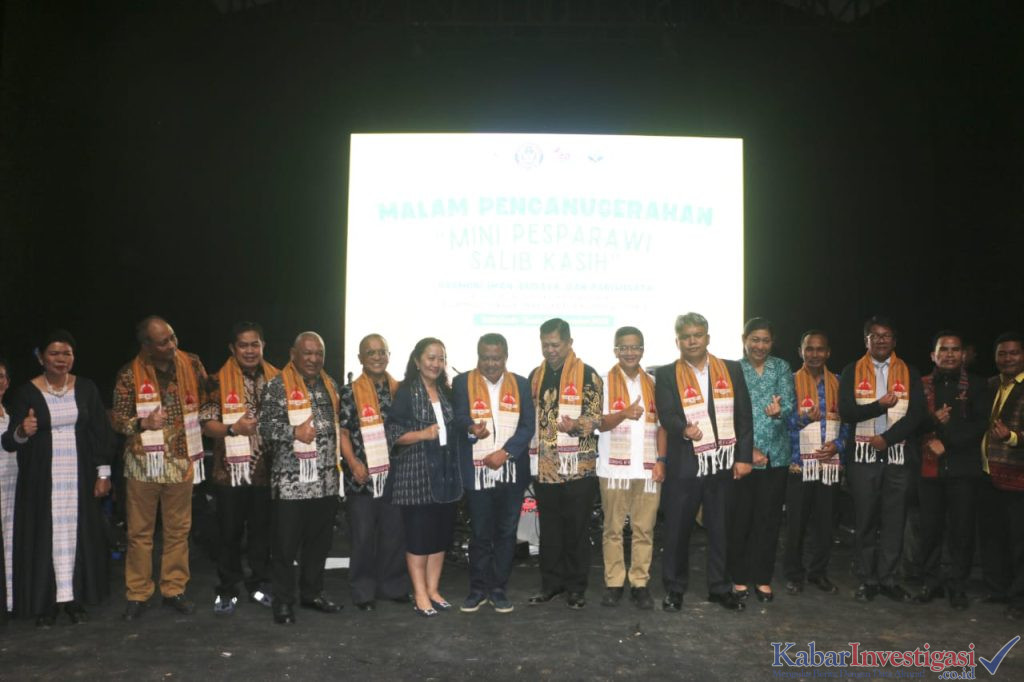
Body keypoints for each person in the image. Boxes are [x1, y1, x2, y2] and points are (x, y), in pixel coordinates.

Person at [1, 330, 113, 626]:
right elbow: (9, 441)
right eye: (54, 353)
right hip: (41, 479)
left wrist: (103, 473)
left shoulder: (86, 388)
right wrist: (22, 431)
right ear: (41, 358)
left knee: (78, 534)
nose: (61, 359)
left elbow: (100, 433)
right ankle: (47, 604)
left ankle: (74, 599)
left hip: (79, 475)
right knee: (44, 536)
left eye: (67, 353)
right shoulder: (26, 392)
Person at [654, 312, 753, 612]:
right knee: (676, 531)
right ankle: (674, 589)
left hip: (722, 462)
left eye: (697, 335)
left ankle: (720, 588)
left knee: (720, 529)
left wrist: (744, 457)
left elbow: (744, 416)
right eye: (686, 337)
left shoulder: (731, 369)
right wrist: (683, 429)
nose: (692, 341)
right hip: (684, 464)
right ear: (677, 341)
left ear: (707, 338)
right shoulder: (666, 374)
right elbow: (666, 414)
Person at [112, 316, 209, 620]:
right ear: (146, 345)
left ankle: (174, 589)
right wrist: (143, 422)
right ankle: (138, 593)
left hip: (181, 460)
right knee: (139, 532)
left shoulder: (192, 363)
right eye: (163, 342)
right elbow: (117, 419)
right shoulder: (129, 374)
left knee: (178, 530)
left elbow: (207, 399)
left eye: (173, 337)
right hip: (143, 464)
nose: (172, 345)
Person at [259, 331, 344, 624]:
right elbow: (264, 427)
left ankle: (312, 593)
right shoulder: (277, 386)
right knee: (284, 548)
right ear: (293, 354)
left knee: (319, 545)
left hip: (325, 481)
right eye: (307, 353)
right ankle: (283, 602)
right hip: (290, 484)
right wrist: (294, 432)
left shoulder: (331, 384)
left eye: (319, 353)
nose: (313, 359)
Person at [838, 315, 924, 603]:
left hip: (897, 456)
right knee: (864, 518)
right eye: (875, 335)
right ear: (866, 340)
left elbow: (917, 415)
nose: (881, 340)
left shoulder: (909, 371)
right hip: (863, 457)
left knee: (894, 520)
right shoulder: (852, 370)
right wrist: (878, 406)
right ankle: (868, 579)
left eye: (886, 335)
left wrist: (887, 439)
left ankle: (888, 578)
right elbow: (847, 412)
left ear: (894, 340)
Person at [200, 322, 280, 615]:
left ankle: (259, 585)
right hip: (229, 473)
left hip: (266, 470)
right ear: (232, 349)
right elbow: (206, 425)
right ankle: (228, 589)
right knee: (229, 534)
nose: (249, 351)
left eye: (254, 344)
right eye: (243, 345)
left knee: (262, 533)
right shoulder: (216, 381)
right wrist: (233, 429)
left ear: (263, 346)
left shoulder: (278, 379)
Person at [453, 333, 535, 613]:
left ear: (506, 357)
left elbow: (527, 426)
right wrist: (470, 428)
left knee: (506, 532)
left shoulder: (521, 384)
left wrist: (505, 453)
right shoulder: (462, 382)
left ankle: (498, 589)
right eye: (485, 358)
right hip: (477, 472)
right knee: (479, 533)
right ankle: (477, 590)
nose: (490, 364)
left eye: (496, 358)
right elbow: (458, 418)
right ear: (478, 356)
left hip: (511, 471)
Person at [526, 318, 603, 610]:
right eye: (545, 344)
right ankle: (551, 585)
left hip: (579, 467)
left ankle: (576, 588)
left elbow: (596, 417)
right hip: (546, 466)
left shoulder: (589, 374)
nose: (550, 350)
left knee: (577, 530)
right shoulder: (536, 375)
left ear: (569, 343)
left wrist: (576, 425)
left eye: (555, 344)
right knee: (550, 530)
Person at [385, 337, 462, 618]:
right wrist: (422, 434)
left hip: (446, 475)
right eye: (431, 358)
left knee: (439, 537)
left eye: (441, 358)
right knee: (419, 538)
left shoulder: (447, 392)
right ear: (417, 361)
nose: (436, 364)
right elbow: (392, 434)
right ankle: (419, 594)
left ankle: (433, 589)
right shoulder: (406, 392)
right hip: (416, 475)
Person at [912, 331, 988, 609]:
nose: (949, 354)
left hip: (963, 469)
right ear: (933, 355)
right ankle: (930, 582)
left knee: (961, 531)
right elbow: (912, 423)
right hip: (929, 469)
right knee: (929, 529)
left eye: (955, 349)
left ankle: (957, 587)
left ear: (963, 354)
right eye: (943, 349)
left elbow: (980, 425)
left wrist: (947, 442)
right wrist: (932, 422)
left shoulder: (977, 385)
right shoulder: (921, 385)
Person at [338, 333, 411, 611]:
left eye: (382, 352)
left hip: (396, 475)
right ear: (360, 358)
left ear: (389, 356)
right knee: (363, 536)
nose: (378, 357)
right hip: (362, 476)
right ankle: (363, 591)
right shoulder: (349, 392)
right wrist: (353, 463)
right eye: (371, 353)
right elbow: (343, 432)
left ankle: (392, 586)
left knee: (395, 534)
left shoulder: (400, 390)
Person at [595, 326, 662, 610]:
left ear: (643, 350)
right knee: (612, 529)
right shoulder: (602, 382)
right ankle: (613, 583)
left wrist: (662, 461)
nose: (630, 352)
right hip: (613, 470)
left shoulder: (654, 383)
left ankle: (639, 583)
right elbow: (597, 424)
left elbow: (663, 427)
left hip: (647, 470)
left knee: (644, 530)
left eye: (635, 347)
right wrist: (623, 413)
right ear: (615, 351)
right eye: (624, 347)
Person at [729, 318, 795, 603]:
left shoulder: (781, 367)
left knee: (768, 520)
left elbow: (790, 404)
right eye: (754, 339)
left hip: (775, 457)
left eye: (765, 340)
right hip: (742, 457)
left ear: (772, 342)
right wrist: (746, 449)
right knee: (740, 519)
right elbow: (727, 413)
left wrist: (780, 411)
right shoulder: (733, 369)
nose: (760, 345)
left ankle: (763, 577)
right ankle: (739, 577)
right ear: (744, 340)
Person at [784, 330, 850, 596]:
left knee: (825, 525)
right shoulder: (790, 383)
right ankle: (794, 574)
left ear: (828, 352)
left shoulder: (840, 383)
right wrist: (804, 419)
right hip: (799, 464)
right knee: (796, 525)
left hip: (830, 465)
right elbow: (783, 422)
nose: (814, 354)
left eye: (819, 349)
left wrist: (839, 445)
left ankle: (818, 573)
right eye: (809, 349)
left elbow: (848, 422)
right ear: (800, 352)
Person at [978, 332, 1024, 619]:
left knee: (1019, 541)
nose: (1008, 358)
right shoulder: (992, 384)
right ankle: (997, 589)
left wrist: (1012, 437)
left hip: (1018, 475)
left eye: (1014, 353)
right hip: (988, 472)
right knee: (993, 535)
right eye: (1002, 354)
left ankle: (1019, 599)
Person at [0, 358, 15, 618]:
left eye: (1, 376)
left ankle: (9, 599)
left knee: (10, 542)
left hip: (12, 485)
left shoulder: (11, 416)